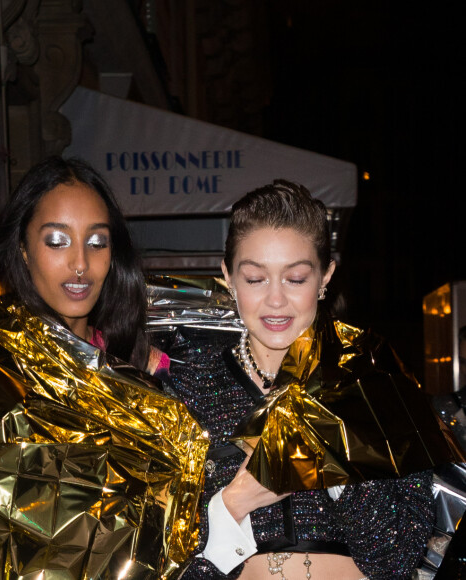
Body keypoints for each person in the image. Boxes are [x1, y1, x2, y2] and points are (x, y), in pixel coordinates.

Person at [0, 156, 206, 578]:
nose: (80, 263)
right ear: (22, 247)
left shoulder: (148, 369)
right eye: (57, 241)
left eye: (97, 242)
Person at [168, 180, 463, 580]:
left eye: (296, 279)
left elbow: (396, 559)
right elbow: (167, 558)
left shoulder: (377, 385)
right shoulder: (190, 390)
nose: (275, 300)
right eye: (255, 279)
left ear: (325, 277)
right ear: (228, 277)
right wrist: (231, 505)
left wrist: (334, 451)